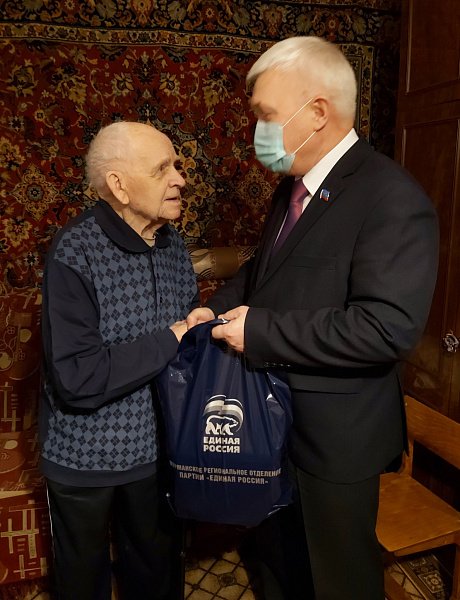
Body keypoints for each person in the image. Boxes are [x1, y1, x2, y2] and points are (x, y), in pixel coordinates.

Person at [187, 36, 439, 600]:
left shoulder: (391, 198)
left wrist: (260, 332)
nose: (257, 131)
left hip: (335, 439)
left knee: (336, 578)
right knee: (277, 562)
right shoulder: (291, 191)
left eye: (266, 115)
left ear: (318, 111)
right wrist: (216, 307)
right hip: (273, 421)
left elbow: (385, 329)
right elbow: (263, 273)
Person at [40, 121, 199, 600]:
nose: (180, 179)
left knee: (156, 573)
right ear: (119, 185)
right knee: (81, 582)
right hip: (84, 457)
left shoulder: (173, 244)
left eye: (176, 165)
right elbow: (79, 377)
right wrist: (172, 337)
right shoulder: (75, 250)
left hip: (158, 453)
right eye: (162, 169)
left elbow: (187, 342)